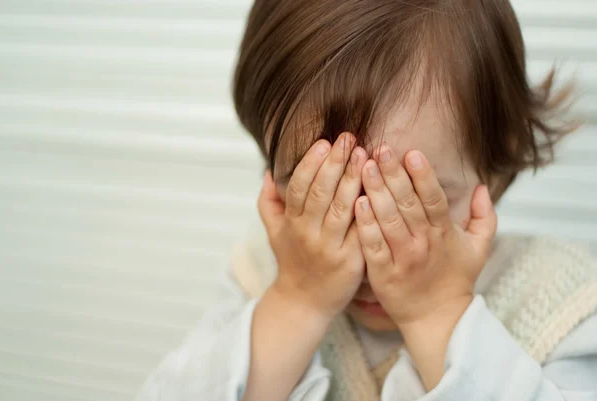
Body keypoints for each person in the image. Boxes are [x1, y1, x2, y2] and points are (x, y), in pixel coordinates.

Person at [136, 1, 597, 400]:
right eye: (326, 196)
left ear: (494, 168)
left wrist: (436, 312)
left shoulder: (562, 299)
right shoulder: (262, 274)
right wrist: (298, 302)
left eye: (411, 201)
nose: (372, 245)